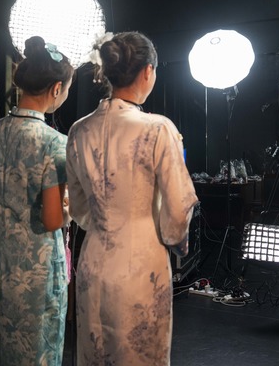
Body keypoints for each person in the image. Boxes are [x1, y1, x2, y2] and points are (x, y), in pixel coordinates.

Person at [66, 31, 198, 366]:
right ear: (148, 71)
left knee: (95, 353)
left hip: (93, 260)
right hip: (141, 262)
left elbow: (78, 206)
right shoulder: (157, 129)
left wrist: (103, 223)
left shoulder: (79, 130)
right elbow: (179, 207)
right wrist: (176, 241)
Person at [0, 36, 73, 366]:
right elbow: (53, 220)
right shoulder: (54, 143)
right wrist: (71, 210)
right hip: (37, 274)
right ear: (56, 89)